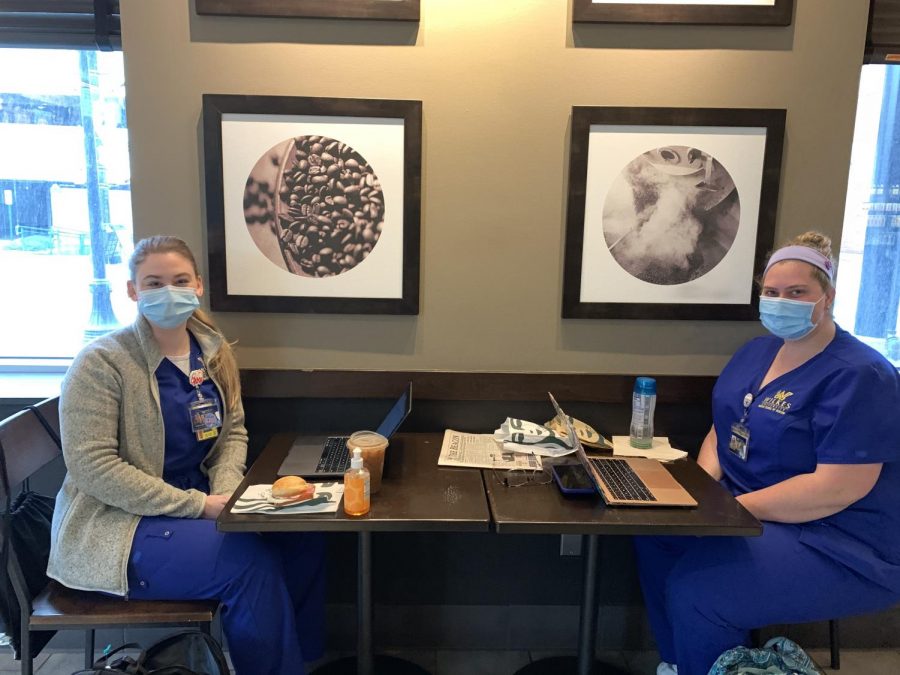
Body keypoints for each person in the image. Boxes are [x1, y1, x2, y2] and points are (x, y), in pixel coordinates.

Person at [47, 236, 325, 675]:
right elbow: (93, 468)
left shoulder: (213, 353)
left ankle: (303, 662)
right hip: (119, 526)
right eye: (153, 282)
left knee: (304, 534)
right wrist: (200, 507)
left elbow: (232, 432)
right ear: (133, 291)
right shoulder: (101, 362)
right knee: (249, 563)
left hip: (199, 505)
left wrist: (229, 498)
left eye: (179, 280)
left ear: (198, 285)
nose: (167, 292)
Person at [634, 231, 900, 675]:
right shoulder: (757, 352)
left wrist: (725, 509)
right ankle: (680, 664)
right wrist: (699, 493)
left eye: (798, 293)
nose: (782, 302)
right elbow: (725, 428)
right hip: (750, 513)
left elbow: (837, 488)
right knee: (654, 534)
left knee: (699, 590)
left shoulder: (862, 375)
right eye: (772, 293)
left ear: (827, 297)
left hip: (838, 540)